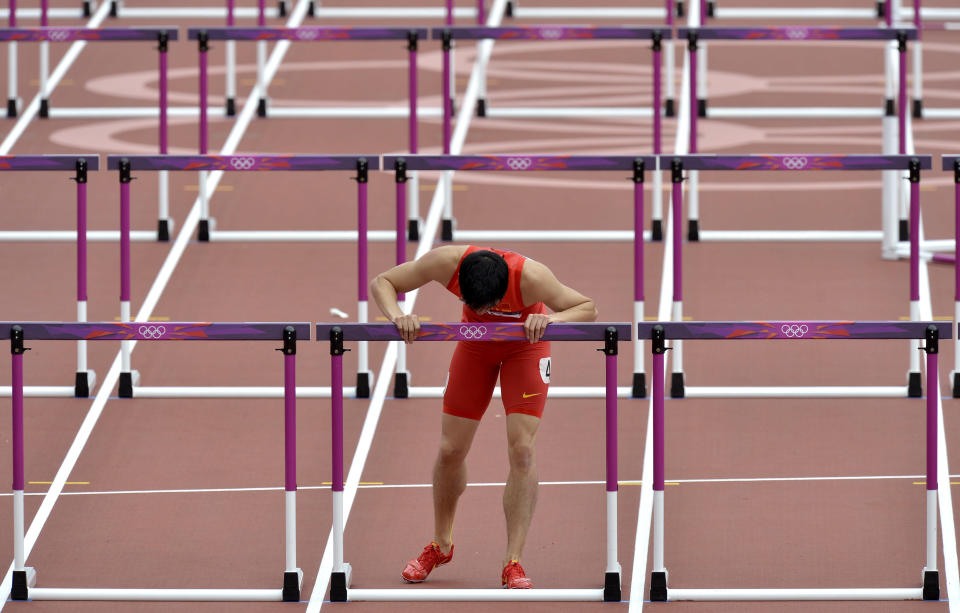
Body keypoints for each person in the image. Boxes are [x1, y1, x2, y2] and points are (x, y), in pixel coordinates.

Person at [369, 245, 598, 589]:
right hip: (474, 347)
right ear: (459, 283)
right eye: (472, 305)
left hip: (525, 345)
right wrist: (397, 314)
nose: (482, 310)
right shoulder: (445, 263)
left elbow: (588, 308)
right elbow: (383, 282)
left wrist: (552, 318)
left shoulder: (532, 278)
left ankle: (513, 561)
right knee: (450, 449)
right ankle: (441, 544)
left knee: (522, 449)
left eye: (488, 306)